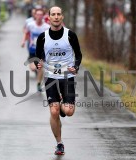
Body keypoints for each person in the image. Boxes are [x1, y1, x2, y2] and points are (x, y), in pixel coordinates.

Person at [35, 6, 82, 155]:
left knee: (68, 112)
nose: (56, 17)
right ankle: (59, 144)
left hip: (67, 77)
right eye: (53, 14)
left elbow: (79, 55)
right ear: (48, 18)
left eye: (58, 14)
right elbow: (38, 56)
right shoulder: (42, 37)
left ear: (62, 17)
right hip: (50, 77)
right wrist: (39, 63)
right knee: (54, 112)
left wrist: (76, 66)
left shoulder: (70, 35)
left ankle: (63, 104)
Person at [21, 8, 49, 91]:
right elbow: (26, 33)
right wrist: (23, 41)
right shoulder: (30, 25)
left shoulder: (46, 27)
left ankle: (38, 84)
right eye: (38, 14)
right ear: (35, 15)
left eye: (41, 15)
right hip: (32, 50)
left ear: (43, 16)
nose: (39, 16)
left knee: (40, 68)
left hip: (41, 51)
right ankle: (37, 72)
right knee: (33, 68)